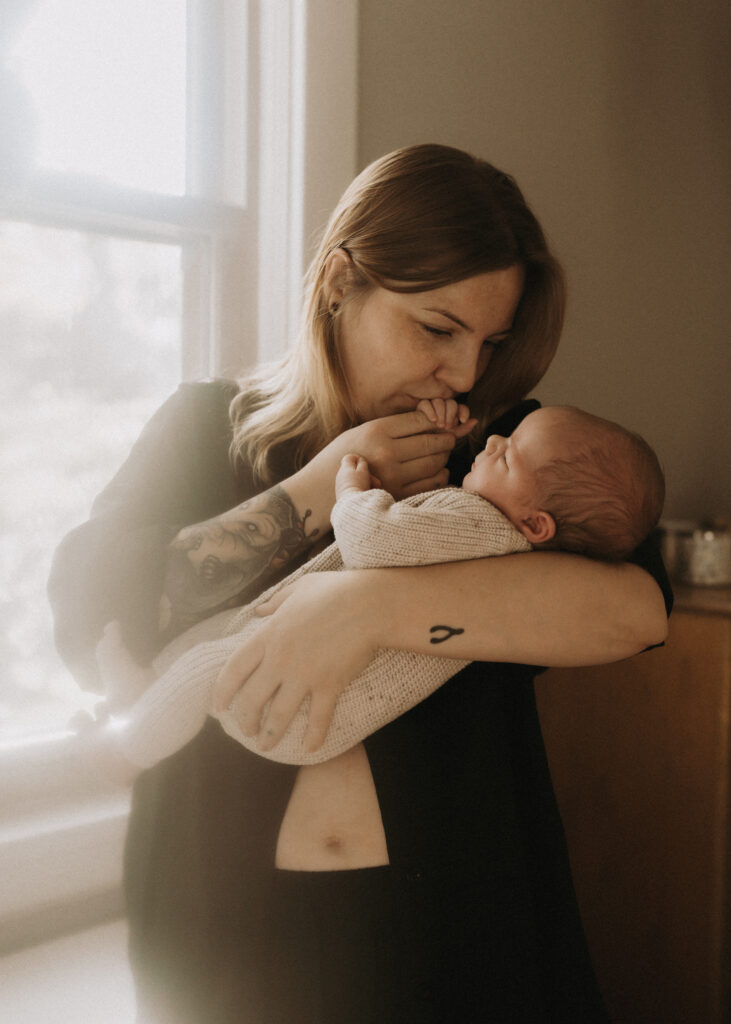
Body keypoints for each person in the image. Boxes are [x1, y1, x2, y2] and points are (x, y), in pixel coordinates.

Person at [48, 144, 672, 1023]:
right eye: (436, 328)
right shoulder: (205, 427)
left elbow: (633, 613)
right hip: (222, 921)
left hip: (455, 911)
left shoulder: (505, 461)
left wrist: (366, 606)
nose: (464, 373)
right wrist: (317, 488)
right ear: (341, 283)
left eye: (489, 343)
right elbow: (93, 622)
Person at [94, 400, 665, 773]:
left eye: (508, 456)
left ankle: (131, 744)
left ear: (536, 524)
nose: (492, 441)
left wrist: (349, 489)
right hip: (313, 719)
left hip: (295, 707)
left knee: (204, 668)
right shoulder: (514, 547)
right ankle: (145, 689)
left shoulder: (479, 521)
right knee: (214, 644)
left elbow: (374, 540)